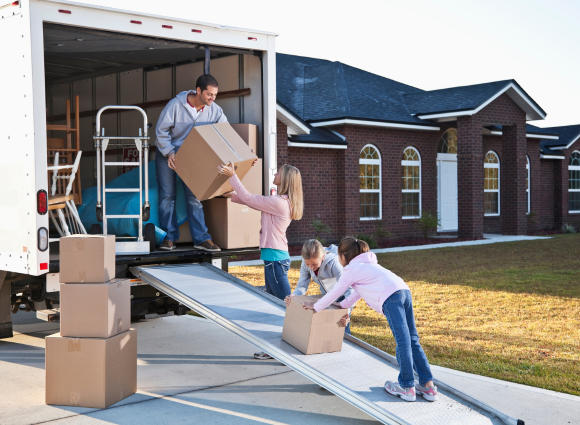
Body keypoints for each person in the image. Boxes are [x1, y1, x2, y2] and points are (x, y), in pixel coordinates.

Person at [302, 237, 438, 402]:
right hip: (403, 291)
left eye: (339, 256)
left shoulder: (351, 269)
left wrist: (316, 306)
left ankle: (406, 386)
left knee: (403, 341)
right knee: (412, 339)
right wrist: (343, 305)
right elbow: (358, 293)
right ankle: (428, 385)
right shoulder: (369, 266)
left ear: (344, 257)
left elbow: (335, 292)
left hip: (391, 297)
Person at [218, 162, 303, 360]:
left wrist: (233, 176)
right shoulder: (280, 201)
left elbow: (250, 198)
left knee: (285, 308)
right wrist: (229, 195)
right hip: (274, 259)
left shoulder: (279, 202)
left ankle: (291, 351)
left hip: (275, 260)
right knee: (275, 306)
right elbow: (250, 201)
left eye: (279, 172)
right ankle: (275, 350)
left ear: (286, 179)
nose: (275, 173)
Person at [155, 74, 227, 252]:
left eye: (215, 95)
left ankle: (201, 239)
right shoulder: (175, 105)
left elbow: (224, 133)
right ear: (199, 91)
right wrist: (169, 152)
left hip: (193, 156)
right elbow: (160, 130)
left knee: (194, 198)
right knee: (167, 196)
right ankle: (168, 238)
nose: (213, 98)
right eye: (210, 94)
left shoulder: (215, 110)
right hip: (168, 153)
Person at [284, 239, 351, 333]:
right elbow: (302, 284)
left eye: (315, 264)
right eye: (308, 264)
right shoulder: (305, 263)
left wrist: (347, 311)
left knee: (341, 328)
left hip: (343, 297)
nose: (311, 267)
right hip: (326, 296)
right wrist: (295, 295)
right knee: (327, 328)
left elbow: (349, 289)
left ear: (323, 256)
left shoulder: (334, 263)